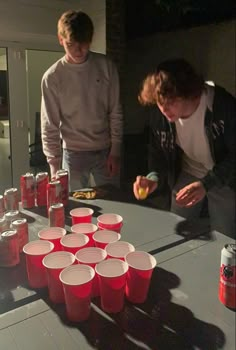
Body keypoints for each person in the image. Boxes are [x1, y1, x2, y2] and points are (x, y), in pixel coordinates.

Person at [133, 58, 235, 237]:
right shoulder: (160, 115)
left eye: (171, 101)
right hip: (189, 171)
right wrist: (153, 178)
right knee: (176, 228)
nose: (164, 108)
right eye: (159, 101)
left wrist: (207, 183)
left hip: (223, 175)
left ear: (190, 93)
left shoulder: (222, 106)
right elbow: (158, 155)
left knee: (223, 235)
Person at [41, 10, 123, 191]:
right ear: (60, 39)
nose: (79, 51)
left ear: (91, 39)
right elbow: (49, 125)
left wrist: (115, 151)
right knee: (73, 207)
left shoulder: (106, 66)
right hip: (72, 154)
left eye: (84, 44)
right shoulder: (53, 77)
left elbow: (115, 111)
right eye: (71, 44)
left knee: (114, 201)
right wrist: (54, 166)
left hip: (105, 151)